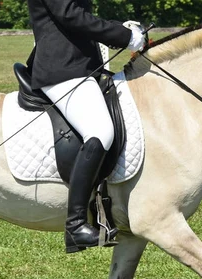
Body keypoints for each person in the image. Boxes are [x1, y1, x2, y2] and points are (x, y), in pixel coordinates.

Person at [26, 0, 146, 254]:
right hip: (62, 68)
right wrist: (123, 36)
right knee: (100, 130)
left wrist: (117, 28)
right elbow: (69, 15)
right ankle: (76, 225)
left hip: (80, 65)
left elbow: (80, 17)